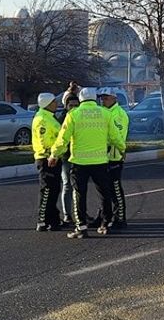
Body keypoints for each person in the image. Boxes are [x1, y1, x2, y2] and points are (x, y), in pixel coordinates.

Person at [49, 87, 121, 239]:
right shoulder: (105, 113)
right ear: (95, 99)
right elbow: (115, 137)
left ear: (80, 99)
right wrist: (122, 149)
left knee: (79, 194)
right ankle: (106, 224)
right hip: (100, 161)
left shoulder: (73, 114)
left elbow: (63, 139)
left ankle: (81, 227)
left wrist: (54, 154)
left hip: (79, 162)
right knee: (104, 193)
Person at [97, 86, 131, 228]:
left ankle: (120, 218)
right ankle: (103, 215)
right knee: (104, 190)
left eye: (106, 98)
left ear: (114, 98)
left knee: (115, 188)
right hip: (101, 157)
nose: (103, 100)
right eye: (101, 98)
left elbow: (118, 136)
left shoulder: (119, 114)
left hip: (114, 156)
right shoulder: (102, 112)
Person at [31, 93, 63, 231]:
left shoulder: (49, 117)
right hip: (47, 159)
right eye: (54, 102)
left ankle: (53, 219)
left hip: (54, 158)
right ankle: (42, 220)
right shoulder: (43, 119)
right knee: (47, 191)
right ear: (47, 104)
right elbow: (45, 142)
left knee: (54, 190)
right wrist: (52, 154)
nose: (56, 104)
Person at [56, 93, 81, 226]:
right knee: (67, 185)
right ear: (66, 106)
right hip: (66, 157)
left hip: (79, 156)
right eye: (71, 105)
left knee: (78, 187)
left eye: (76, 105)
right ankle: (67, 215)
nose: (73, 108)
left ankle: (80, 212)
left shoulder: (81, 117)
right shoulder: (62, 119)